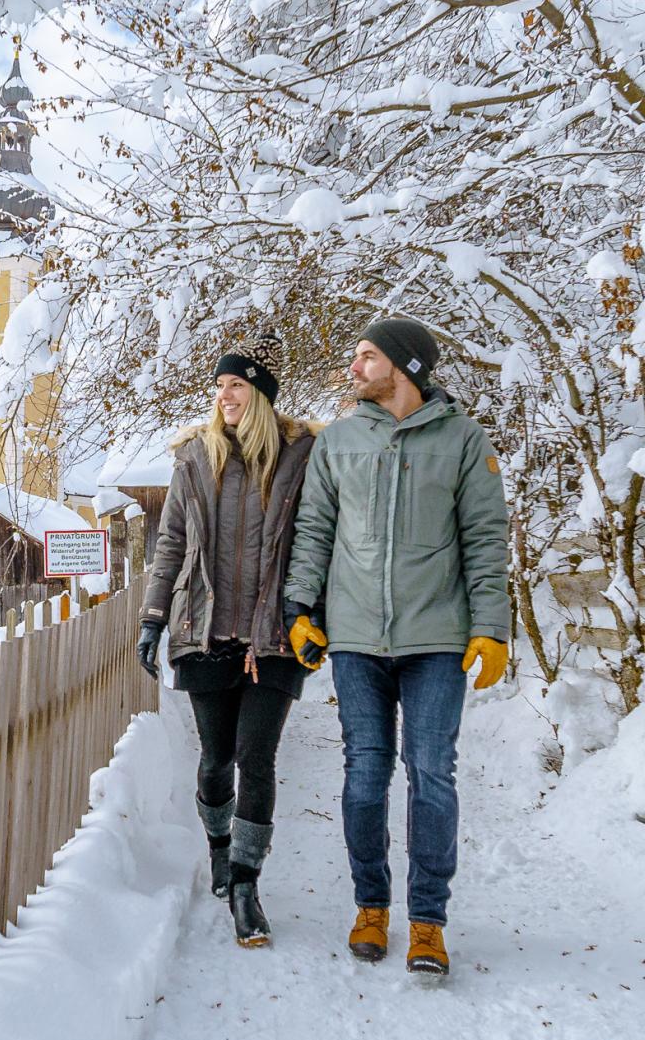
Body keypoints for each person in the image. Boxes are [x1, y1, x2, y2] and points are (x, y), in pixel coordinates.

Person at [281, 316, 510, 977]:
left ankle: (430, 922)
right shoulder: (341, 441)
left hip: (436, 636)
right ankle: (371, 907)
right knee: (365, 772)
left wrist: (489, 628)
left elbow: (486, 541)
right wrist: (302, 608)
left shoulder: (464, 442)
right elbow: (315, 529)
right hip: (355, 637)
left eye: (367, 356)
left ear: (406, 366)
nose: (355, 368)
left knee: (432, 771)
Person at [136, 352, 317, 948]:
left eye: (236, 385)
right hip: (204, 634)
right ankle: (219, 849)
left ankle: (246, 884)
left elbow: (319, 540)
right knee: (217, 762)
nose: (225, 396)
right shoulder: (195, 459)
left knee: (256, 759)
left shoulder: (298, 459)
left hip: (273, 640)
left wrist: (314, 616)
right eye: (219, 386)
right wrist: (153, 619)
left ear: (260, 395)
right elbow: (170, 545)